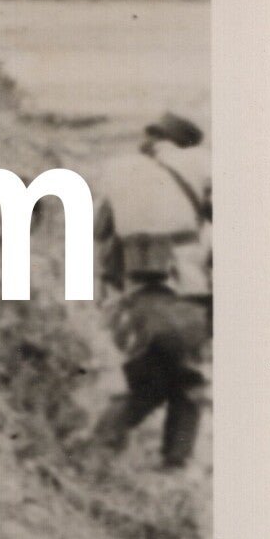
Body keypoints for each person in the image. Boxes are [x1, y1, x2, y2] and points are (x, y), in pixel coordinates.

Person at [92, 113, 212, 472]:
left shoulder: (119, 171)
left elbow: (100, 229)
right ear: (183, 143)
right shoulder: (198, 164)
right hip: (187, 289)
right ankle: (171, 464)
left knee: (151, 379)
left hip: (137, 294)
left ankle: (100, 447)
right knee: (187, 382)